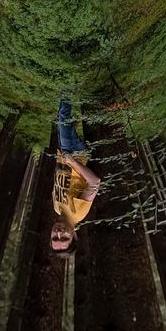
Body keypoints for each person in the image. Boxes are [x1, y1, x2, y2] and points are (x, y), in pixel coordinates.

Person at [51, 97, 101, 253]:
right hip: (75, 154)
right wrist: (73, 162)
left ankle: (69, 85)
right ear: (74, 236)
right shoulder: (78, 213)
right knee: (63, 116)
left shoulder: (57, 209)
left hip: (63, 153)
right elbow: (95, 183)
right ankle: (68, 82)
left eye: (54, 238)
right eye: (64, 238)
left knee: (63, 118)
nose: (58, 233)